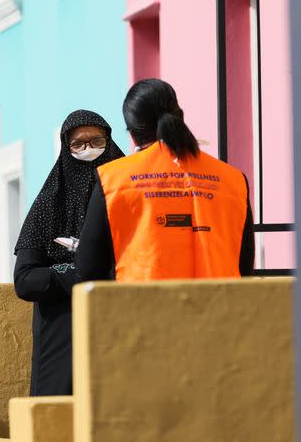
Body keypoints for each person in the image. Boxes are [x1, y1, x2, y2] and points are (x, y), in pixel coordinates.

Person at [76, 78, 254, 282]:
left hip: (142, 309)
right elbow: (245, 266)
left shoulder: (113, 179)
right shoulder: (233, 179)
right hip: (221, 308)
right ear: (180, 117)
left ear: (133, 131)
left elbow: (88, 268)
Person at [13, 110, 124, 396]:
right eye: (78, 144)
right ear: (66, 148)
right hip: (62, 331)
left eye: (96, 140)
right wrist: (75, 273)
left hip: (119, 324)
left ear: (109, 142)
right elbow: (25, 279)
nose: (88, 149)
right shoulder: (50, 203)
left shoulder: (128, 193)